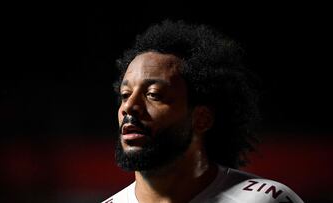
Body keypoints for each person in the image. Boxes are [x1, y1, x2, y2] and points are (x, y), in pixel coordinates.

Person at [102, 20, 304, 203]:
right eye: (125, 94)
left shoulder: (267, 199)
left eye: (154, 94)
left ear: (202, 118)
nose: (129, 107)